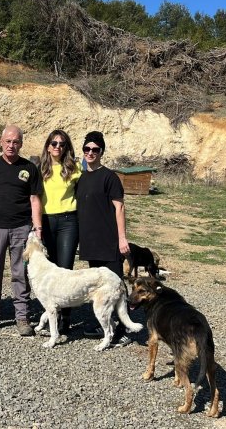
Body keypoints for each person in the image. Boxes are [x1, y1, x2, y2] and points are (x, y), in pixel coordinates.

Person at [0, 125, 42, 336]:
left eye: (16, 142)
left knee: (20, 273)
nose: (11, 145)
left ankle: (22, 318)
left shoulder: (29, 168)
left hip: (21, 228)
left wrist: (37, 228)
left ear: (21, 144)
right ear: (1, 142)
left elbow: (34, 199)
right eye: (8, 141)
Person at [76, 130, 135, 347]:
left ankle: (124, 329)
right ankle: (107, 324)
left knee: (117, 286)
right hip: (91, 242)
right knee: (101, 287)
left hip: (109, 240)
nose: (90, 153)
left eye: (95, 150)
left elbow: (119, 208)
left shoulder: (110, 177)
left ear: (101, 152)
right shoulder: (81, 177)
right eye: (87, 149)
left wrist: (122, 239)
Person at [39, 129, 81, 333]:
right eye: (54, 143)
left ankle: (66, 317)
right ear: (48, 146)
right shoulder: (40, 168)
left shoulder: (75, 168)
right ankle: (51, 314)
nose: (57, 147)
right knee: (51, 269)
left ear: (66, 147)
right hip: (46, 221)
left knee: (65, 269)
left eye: (62, 144)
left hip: (68, 221)